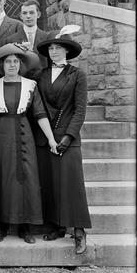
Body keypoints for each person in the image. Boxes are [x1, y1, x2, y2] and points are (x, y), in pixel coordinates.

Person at [0, 43, 59, 244]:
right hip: (1, 135)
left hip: (24, 133)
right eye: (8, 61)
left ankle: (25, 227)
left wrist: (51, 138)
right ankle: (1, 225)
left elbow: (40, 113)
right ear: (2, 65)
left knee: (26, 178)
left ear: (20, 64)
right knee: (1, 177)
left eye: (15, 61)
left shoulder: (30, 85)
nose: (12, 65)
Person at [34, 26, 91, 255]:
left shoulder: (77, 75)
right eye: (51, 48)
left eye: (58, 48)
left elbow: (80, 110)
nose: (54, 52)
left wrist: (68, 137)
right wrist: (49, 137)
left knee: (71, 185)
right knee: (50, 182)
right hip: (46, 136)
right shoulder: (40, 76)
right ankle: (58, 226)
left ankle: (79, 230)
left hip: (68, 135)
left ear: (67, 51)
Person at [1, 0, 49, 79]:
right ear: (21, 16)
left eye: (31, 12)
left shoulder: (46, 37)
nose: (28, 16)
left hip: (43, 82)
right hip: (20, 81)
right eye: (24, 13)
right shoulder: (10, 40)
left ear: (38, 14)